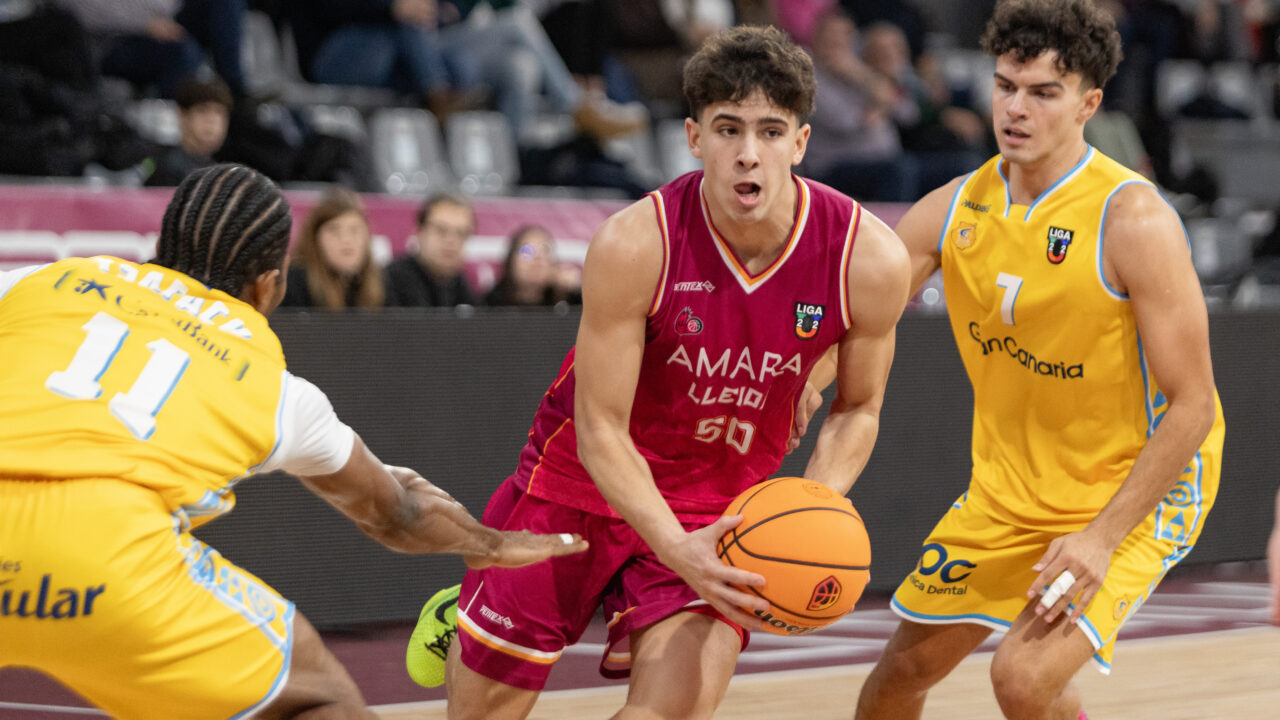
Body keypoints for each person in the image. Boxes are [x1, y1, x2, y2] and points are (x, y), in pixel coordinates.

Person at [407, 24, 913, 719]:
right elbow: (601, 428)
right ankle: (466, 612)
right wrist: (673, 546)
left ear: (800, 143)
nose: (747, 155)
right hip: (579, 489)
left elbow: (859, 409)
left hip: (716, 509)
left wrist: (799, 515)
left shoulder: (868, 258)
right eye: (728, 129)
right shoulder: (635, 243)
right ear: (693, 137)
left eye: (770, 132)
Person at [0, 163, 587, 719]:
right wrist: (489, 545)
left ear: (162, 244)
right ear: (268, 285)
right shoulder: (279, 389)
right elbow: (399, 515)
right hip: (109, 566)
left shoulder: (37, 280)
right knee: (320, 696)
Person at [851, 2, 1225, 718]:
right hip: (1010, 492)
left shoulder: (1132, 219)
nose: (1016, 109)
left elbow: (1194, 404)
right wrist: (805, 376)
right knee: (899, 677)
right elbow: (855, 310)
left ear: (1088, 104)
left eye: (1043, 93)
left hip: (1134, 487)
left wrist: (1099, 538)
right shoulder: (955, 207)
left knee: (1020, 677)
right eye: (1005, 86)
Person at [280, 187, 386, 309]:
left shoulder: (382, 283)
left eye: (355, 230)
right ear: (315, 238)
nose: (346, 239)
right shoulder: (294, 283)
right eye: (334, 230)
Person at [384, 193, 478, 307]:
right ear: (419, 231)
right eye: (441, 230)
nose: (451, 240)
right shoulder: (388, 282)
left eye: (461, 233)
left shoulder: (462, 285)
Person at [143, 76, 234, 187]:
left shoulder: (221, 173)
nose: (212, 120)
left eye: (219, 113)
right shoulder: (167, 167)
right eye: (202, 110)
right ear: (182, 115)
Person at [484, 224, 562, 307]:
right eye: (527, 251)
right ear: (511, 261)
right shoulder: (489, 305)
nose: (538, 258)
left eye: (545, 250)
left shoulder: (565, 301)